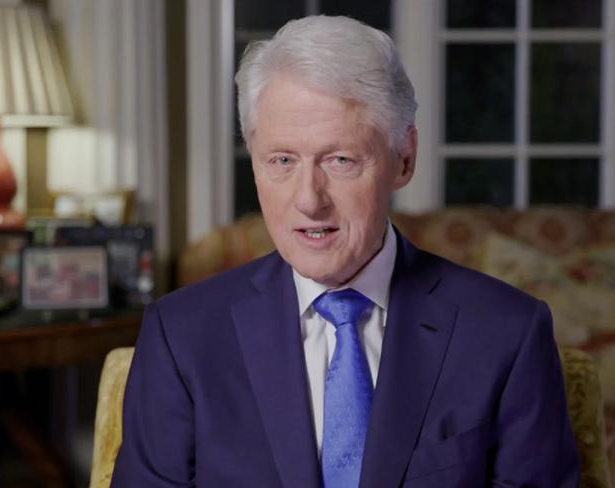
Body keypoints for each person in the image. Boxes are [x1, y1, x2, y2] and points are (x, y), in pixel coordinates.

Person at [111, 15, 579, 487]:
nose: (309, 199)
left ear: (404, 159)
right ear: (254, 162)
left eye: (340, 160)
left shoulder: (506, 333)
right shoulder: (181, 336)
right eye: (282, 160)